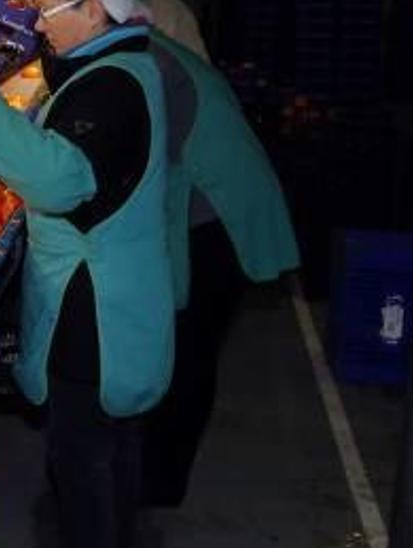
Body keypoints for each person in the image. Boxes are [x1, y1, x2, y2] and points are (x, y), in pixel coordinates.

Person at [0, 1, 174, 546]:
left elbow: (63, 180)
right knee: (112, 446)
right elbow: (78, 152)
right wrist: (19, 134)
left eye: (49, 10)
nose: (39, 23)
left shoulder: (111, 84)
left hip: (94, 302)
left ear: (93, 11)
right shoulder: (121, 66)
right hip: (118, 284)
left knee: (84, 454)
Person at [139, 26, 301, 506]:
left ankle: (162, 485)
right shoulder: (146, 49)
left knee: (191, 350)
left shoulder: (148, 68)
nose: (43, 26)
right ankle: (158, 475)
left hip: (218, 217)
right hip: (209, 204)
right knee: (187, 347)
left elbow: (135, 171)